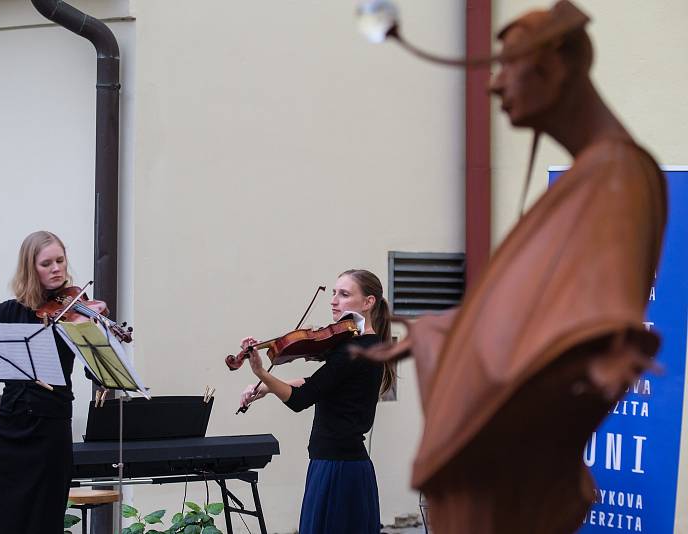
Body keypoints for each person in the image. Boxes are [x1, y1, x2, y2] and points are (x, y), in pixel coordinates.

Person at [360, 2, 666, 533]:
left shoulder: (615, 175)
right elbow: (533, 314)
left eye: (508, 66)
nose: (494, 86)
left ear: (556, 65)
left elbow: (599, 325)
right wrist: (439, 331)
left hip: (512, 484)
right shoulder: (590, 179)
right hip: (493, 480)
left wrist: (602, 349)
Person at [0, 230, 106, 534]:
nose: (56, 268)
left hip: (50, 434)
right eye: (46, 263)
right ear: (30, 268)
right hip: (9, 433)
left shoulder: (78, 312)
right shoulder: (9, 311)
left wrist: (94, 334)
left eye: (61, 260)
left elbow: (99, 376)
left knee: (42, 522)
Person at [239, 269, 394, 534]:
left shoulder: (352, 351)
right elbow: (320, 384)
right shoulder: (365, 345)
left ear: (368, 302)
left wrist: (260, 373)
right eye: (333, 293)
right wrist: (265, 388)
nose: (334, 300)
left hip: (338, 469)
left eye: (344, 294)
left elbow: (301, 399)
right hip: (342, 464)